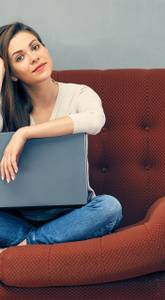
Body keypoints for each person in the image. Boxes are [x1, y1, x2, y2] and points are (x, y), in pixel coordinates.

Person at [0, 22, 123, 253]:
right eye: (19, 58)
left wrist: (25, 133)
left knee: (110, 207)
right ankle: (40, 240)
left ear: (45, 48)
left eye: (35, 47)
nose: (34, 58)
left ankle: (23, 248)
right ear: (12, 74)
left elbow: (95, 120)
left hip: (73, 215)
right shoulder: (6, 109)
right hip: (18, 218)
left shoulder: (79, 93)